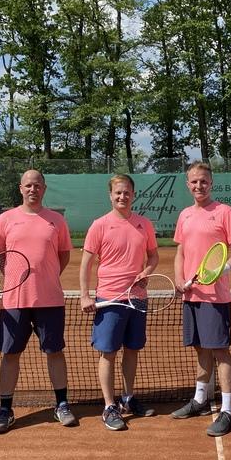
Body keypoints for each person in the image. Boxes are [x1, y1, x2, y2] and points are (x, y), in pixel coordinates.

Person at [0, 169, 76, 433]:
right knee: (10, 354)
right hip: (14, 300)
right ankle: (5, 410)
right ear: (20, 188)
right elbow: (0, 256)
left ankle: (61, 405)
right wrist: (17, 279)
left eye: (37, 185)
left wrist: (46, 278)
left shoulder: (57, 221)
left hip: (49, 300)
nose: (33, 189)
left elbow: (63, 256)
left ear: (44, 189)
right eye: (28, 185)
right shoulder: (3, 221)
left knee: (54, 352)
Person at [79, 174, 160, 431]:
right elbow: (86, 264)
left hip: (136, 299)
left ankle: (127, 398)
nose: (122, 197)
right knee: (109, 352)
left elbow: (154, 256)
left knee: (132, 350)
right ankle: (109, 406)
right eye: (117, 193)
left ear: (133, 195)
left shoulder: (144, 224)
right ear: (110, 195)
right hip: (109, 299)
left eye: (126, 193)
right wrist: (84, 295)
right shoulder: (99, 225)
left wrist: (146, 272)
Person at [171, 161, 231, 436]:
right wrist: (179, 279)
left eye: (203, 181)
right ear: (187, 184)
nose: (199, 186)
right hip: (191, 295)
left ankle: (227, 411)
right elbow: (180, 252)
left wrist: (219, 271)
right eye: (194, 182)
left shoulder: (225, 212)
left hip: (215, 297)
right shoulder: (185, 215)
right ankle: (200, 399)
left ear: (211, 183)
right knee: (200, 349)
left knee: (220, 351)